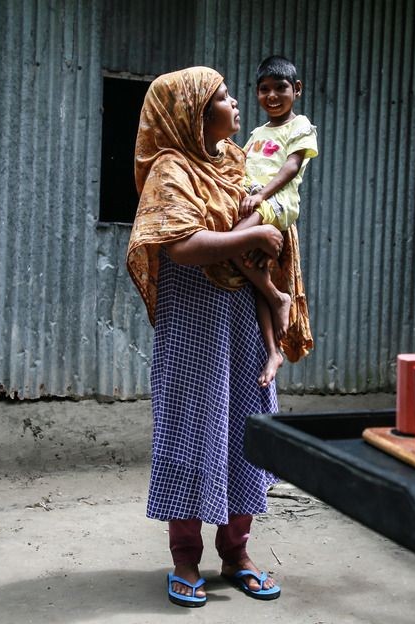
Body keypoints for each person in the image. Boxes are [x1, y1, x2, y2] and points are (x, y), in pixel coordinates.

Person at [125, 67, 310, 608]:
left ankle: (237, 552)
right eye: (224, 96)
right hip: (191, 325)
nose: (236, 103)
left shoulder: (233, 160)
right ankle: (185, 558)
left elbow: (272, 204)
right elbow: (179, 245)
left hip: (242, 320)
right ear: (192, 114)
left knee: (245, 429)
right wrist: (251, 234)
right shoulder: (169, 169)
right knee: (189, 431)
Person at [233, 55, 319, 387]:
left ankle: (279, 296)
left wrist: (261, 196)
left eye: (280, 88)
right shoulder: (255, 133)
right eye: (264, 89)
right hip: (256, 202)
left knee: (231, 241)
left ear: (296, 90)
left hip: (277, 203)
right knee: (255, 276)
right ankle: (273, 351)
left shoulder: (300, 127)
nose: (271, 96)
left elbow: (291, 167)